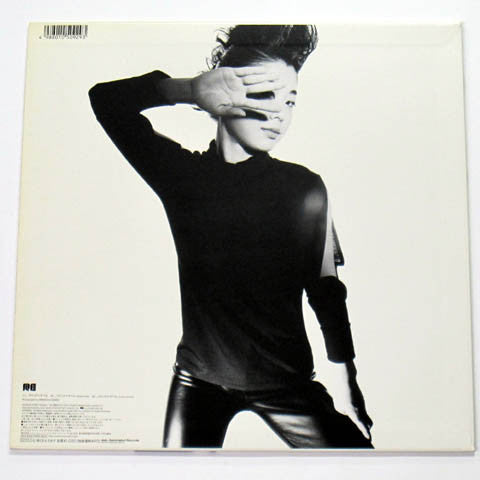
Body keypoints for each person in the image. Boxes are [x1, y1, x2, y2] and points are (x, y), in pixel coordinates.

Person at [89, 24, 373, 449]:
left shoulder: (305, 188)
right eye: (264, 94)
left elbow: (326, 289)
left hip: (287, 384)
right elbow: (105, 101)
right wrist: (188, 89)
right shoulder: (182, 179)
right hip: (198, 380)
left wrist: (347, 383)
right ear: (220, 96)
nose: (280, 114)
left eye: (290, 100)